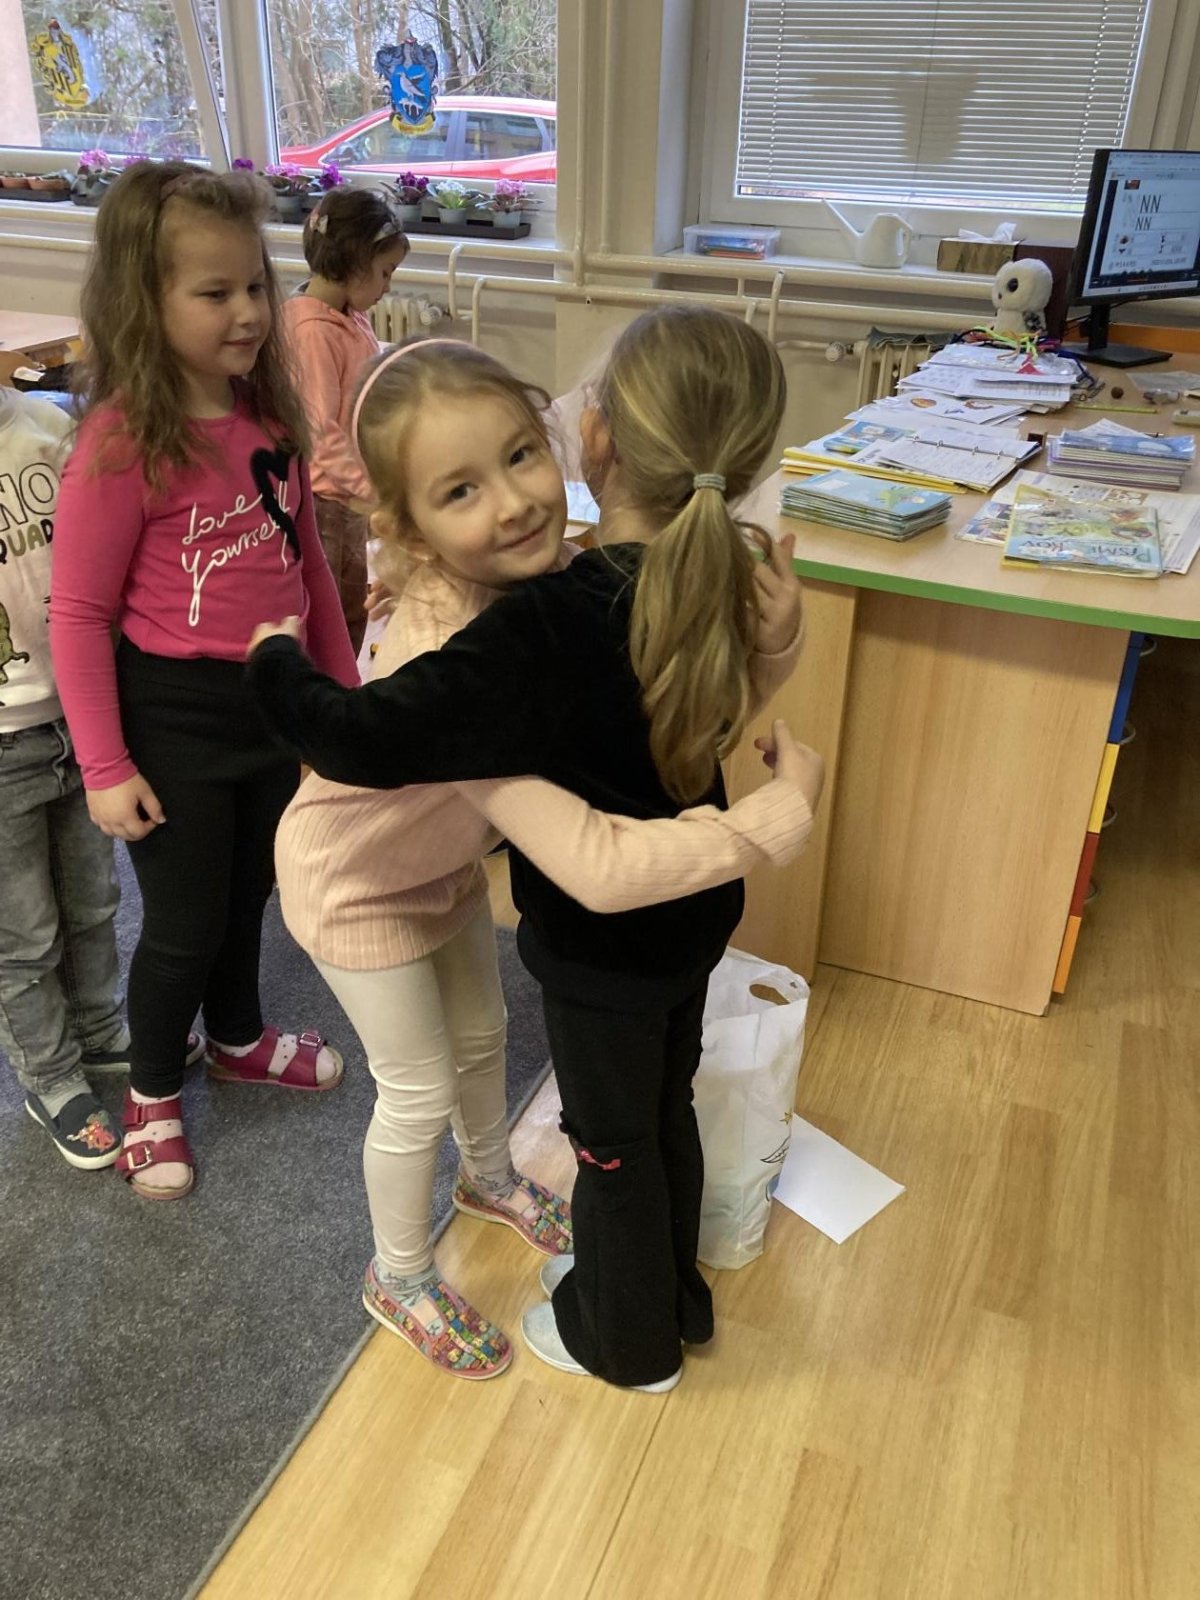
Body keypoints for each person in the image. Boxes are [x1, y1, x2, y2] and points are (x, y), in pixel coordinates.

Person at [246, 307, 821, 1391]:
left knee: (487, 1039)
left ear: (581, 437)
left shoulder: (574, 587)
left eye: (519, 457)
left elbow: (690, 702)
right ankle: (399, 1274)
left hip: (454, 867)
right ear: (411, 525)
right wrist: (275, 662)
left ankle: (491, 1178)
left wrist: (774, 645)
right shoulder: (497, 654)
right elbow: (364, 739)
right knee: (420, 1088)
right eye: (461, 490)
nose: (512, 502)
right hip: (354, 884)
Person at [49, 161, 360, 1203]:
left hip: (271, 702)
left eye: (255, 286)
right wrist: (104, 766)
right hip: (172, 714)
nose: (248, 312)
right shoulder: (119, 443)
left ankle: (236, 1038)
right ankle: (150, 1094)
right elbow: (77, 616)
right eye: (214, 292)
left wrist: (339, 702)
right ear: (146, 300)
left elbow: (309, 574)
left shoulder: (269, 417)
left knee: (248, 897)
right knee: (182, 924)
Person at [0, 386, 130, 1168]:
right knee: (23, 933)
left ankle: (99, 1028)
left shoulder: (51, 426)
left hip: (77, 713)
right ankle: (50, 1075)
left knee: (93, 898)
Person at [280, 186, 408, 654]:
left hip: (347, 496)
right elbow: (319, 434)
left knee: (353, 604)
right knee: (328, 612)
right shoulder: (312, 332)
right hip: (324, 503)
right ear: (356, 263)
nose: (387, 286)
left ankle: (346, 681)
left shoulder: (350, 316)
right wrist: (372, 491)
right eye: (385, 271)